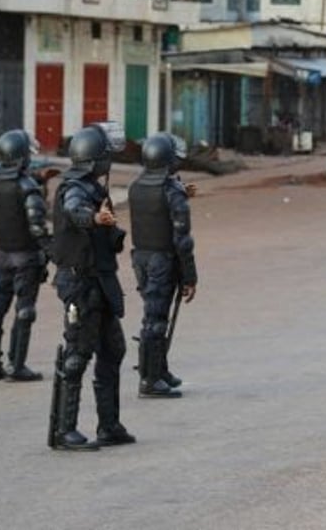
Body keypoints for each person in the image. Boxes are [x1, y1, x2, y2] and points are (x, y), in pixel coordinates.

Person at [49, 123, 136, 450]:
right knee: (77, 356)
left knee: (113, 350)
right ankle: (64, 429)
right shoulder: (75, 189)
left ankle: (109, 424)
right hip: (81, 284)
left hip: (99, 282)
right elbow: (74, 211)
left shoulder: (93, 188)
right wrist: (94, 219)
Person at [128, 133, 198, 399]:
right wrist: (190, 276)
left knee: (155, 316)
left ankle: (160, 370)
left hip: (141, 258)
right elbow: (183, 240)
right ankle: (150, 379)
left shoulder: (137, 186)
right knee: (156, 321)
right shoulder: (171, 192)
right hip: (162, 260)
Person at [0, 129, 52, 382]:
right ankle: (17, 365)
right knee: (25, 310)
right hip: (26, 258)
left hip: (2, 256)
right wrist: (53, 251)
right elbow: (37, 228)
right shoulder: (27, 188)